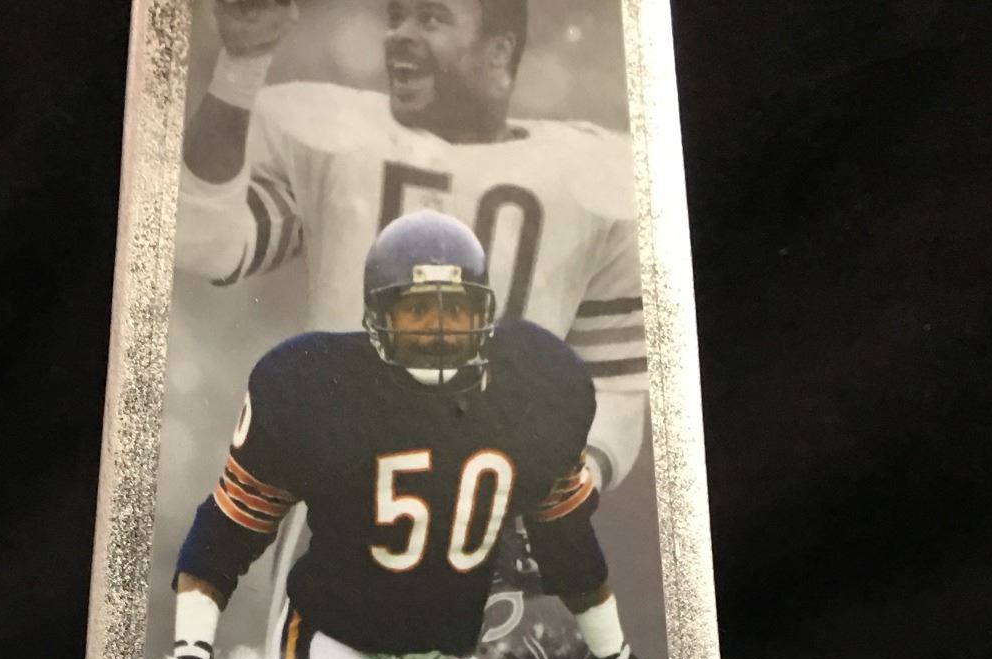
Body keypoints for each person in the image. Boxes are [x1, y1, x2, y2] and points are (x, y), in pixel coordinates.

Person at [147, 213, 665, 659]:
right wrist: (190, 651)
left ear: (482, 315)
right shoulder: (314, 385)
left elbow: (569, 542)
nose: (439, 330)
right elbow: (230, 527)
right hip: (336, 647)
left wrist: (614, 658)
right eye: (418, 310)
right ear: (379, 315)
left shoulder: (531, 385)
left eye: (454, 311)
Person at [176, 0, 649, 496]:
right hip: (339, 507)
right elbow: (205, 239)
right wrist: (242, 65)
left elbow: (614, 393)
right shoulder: (339, 143)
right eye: (395, 17)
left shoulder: (592, 178)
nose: (398, 34)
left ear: (499, 50)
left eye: (430, 18)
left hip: (496, 513)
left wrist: (559, 499)